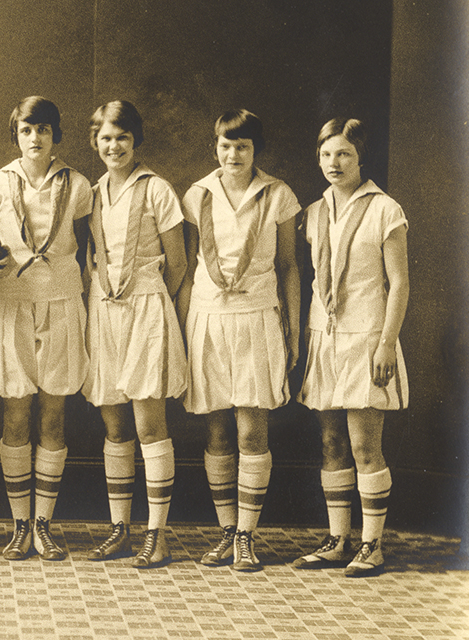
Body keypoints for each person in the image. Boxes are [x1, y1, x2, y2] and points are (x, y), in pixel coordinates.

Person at [178, 109, 301, 572]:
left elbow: (289, 266)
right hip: (208, 318)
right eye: (226, 146)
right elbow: (188, 267)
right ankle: (227, 531)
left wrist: (291, 327)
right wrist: (182, 328)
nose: (234, 154)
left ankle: (248, 535)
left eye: (243, 146)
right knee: (216, 430)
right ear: (216, 147)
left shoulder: (278, 195)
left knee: (251, 429)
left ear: (256, 150)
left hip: (257, 318)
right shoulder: (197, 195)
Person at [0, 96, 92, 561]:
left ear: (55, 135)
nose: (35, 138)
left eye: (44, 129)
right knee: (16, 413)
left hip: (61, 301)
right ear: (16, 134)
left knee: (54, 414)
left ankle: (44, 523)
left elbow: (92, 246)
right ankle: (20, 522)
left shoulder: (79, 185)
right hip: (11, 304)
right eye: (27, 129)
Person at [292, 118, 408, 577]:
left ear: (361, 157)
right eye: (326, 154)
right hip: (325, 336)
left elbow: (398, 284)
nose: (333, 163)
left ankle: (371, 543)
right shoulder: (314, 211)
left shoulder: (385, 209)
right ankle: (338, 538)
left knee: (365, 445)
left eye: (343, 154)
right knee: (331, 441)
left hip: (367, 337)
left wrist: (386, 343)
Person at [83, 101, 188, 568]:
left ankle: (157, 533)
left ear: (135, 140)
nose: (114, 146)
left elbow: (179, 262)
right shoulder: (92, 191)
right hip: (104, 310)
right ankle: (120, 528)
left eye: (122, 137)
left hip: (146, 306)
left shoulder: (158, 189)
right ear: (95, 142)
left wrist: (149, 301)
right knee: (115, 425)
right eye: (105, 138)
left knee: (149, 424)